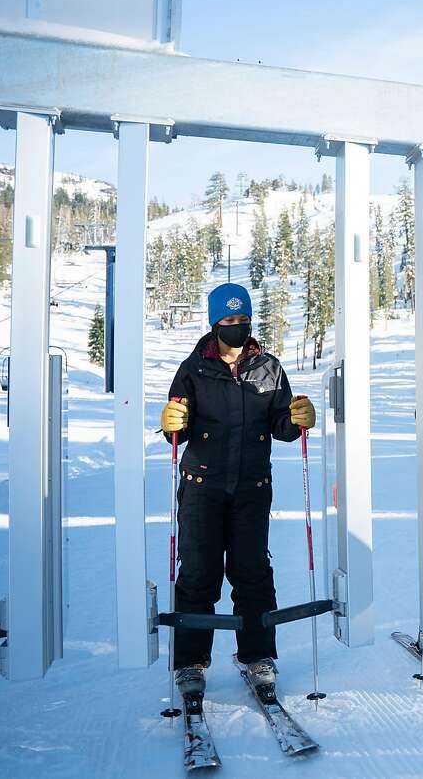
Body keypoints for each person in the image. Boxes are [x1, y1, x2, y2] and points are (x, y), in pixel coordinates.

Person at [158, 282, 315, 699]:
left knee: (253, 574)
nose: (237, 328)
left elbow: (281, 425)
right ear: (214, 324)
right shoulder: (193, 368)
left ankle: (257, 657)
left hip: (251, 487)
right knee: (197, 574)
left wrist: (298, 418)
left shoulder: (268, 367)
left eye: (243, 320)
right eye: (228, 321)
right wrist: (172, 422)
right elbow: (178, 428)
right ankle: (191, 662)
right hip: (201, 486)